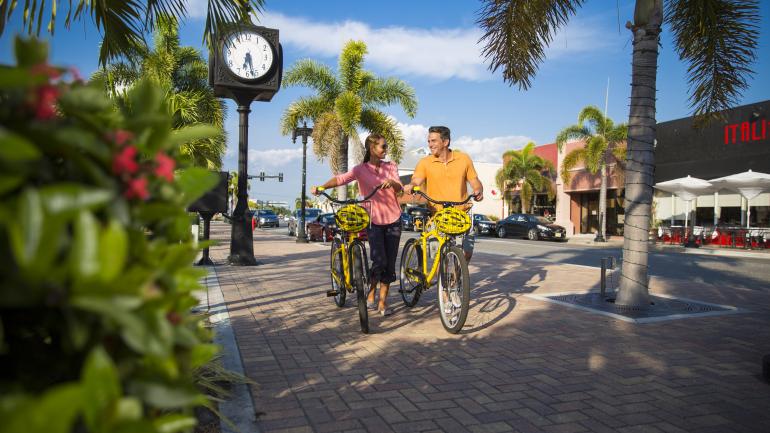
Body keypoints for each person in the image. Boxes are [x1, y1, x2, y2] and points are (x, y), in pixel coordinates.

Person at [312, 134, 402, 316]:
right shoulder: (360, 170)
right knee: (379, 260)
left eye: (386, 147)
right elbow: (340, 179)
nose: (385, 150)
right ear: (372, 148)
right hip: (372, 219)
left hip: (394, 218)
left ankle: (383, 303)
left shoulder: (391, 166)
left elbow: (399, 186)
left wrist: (392, 182)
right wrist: (321, 187)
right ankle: (371, 292)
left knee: (390, 263)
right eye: (383, 147)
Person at [403, 126, 483, 262]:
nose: (430, 145)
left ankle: (457, 277)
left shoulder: (463, 159)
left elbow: (474, 180)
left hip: (462, 214)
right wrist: (411, 185)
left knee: (467, 253)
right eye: (428, 141)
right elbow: (417, 179)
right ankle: (441, 281)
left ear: (445, 142)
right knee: (438, 257)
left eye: (433, 141)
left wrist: (478, 190)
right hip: (437, 215)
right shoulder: (425, 162)